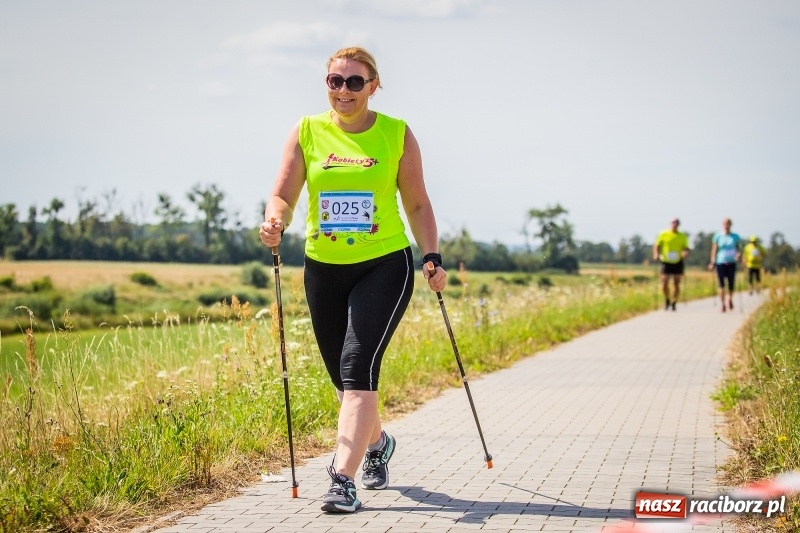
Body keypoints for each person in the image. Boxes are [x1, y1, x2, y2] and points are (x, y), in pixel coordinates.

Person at [259, 46, 447, 514]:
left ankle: (342, 479)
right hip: (323, 266)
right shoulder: (306, 131)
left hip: (384, 262)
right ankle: (377, 443)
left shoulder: (396, 135)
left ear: (374, 86)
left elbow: (418, 204)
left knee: (357, 362)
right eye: (335, 81)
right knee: (344, 383)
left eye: (354, 82)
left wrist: (431, 257)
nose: (343, 90)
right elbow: (283, 193)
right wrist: (274, 221)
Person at [652, 217, 690, 311]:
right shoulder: (663, 234)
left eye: (676, 223)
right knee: (664, 282)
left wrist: (685, 253)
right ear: (670, 224)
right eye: (673, 223)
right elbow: (657, 245)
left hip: (678, 261)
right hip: (666, 261)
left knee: (676, 283)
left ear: (678, 225)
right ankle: (667, 299)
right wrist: (656, 254)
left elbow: (686, 248)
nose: (674, 225)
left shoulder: (682, 236)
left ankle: (674, 301)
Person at [708, 218, 741, 312]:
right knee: (721, 284)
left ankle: (730, 298)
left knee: (731, 283)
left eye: (728, 224)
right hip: (720, 262)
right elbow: (714, 250)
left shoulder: (735, 236)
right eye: (725, 224)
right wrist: (712, 262)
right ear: (723, 225)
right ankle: (722, 304)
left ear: (731, 225)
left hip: (731, 262)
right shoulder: (718, 236)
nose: (727, 226)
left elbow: (738, 249)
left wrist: (738, 255)